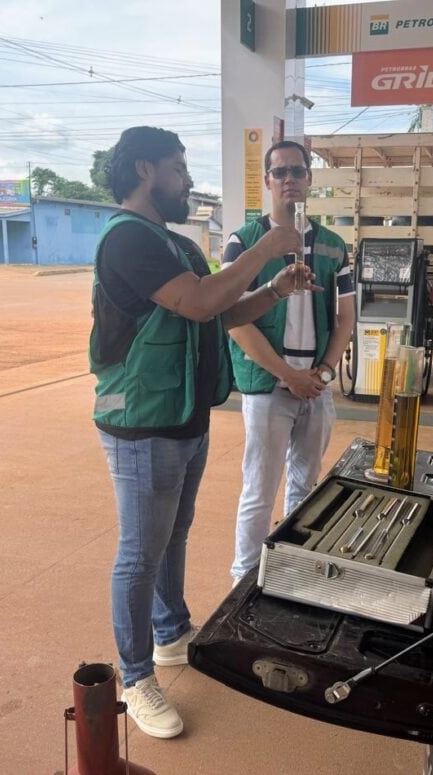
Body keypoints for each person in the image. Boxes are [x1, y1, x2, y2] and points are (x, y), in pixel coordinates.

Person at [89, 126, 311, 739]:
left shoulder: (177, 244)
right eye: (179, 169)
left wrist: (273, 288)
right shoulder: (127, 239)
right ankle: (135, 678)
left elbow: (218, 309)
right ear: (145, 170)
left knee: (173, 535)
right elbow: (195, 303)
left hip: (182, 413)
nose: (187, 182)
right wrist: (266, 248)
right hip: (142, 421)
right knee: (140, 552)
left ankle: (170, 634)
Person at [224, 140, 356, 585]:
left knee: (305, 488)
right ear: (267, 180)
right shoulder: (244, 242)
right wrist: (287, 375)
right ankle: (243, 580)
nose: (289, 180)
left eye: (297, 171)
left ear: (309, 179)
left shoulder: (332, 246)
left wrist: (324, 373)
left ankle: (290, 575)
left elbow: (346, 317)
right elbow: (235, 320)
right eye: (279, 172)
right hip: (267, 387)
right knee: (259, 492)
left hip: (316, 387)